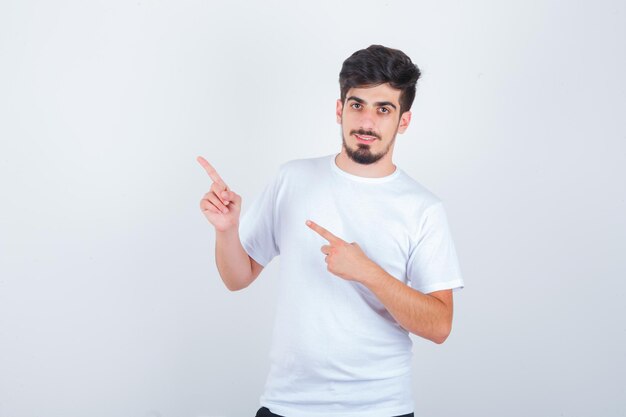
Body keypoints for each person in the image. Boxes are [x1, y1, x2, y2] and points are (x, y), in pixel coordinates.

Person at [197, 44, 464, 417]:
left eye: (383, 109)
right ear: (340, 109)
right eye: (357, 105)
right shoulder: (293, 178)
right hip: (286, 405)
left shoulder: (423, 208)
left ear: (403, 120)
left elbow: (439, 325)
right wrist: (226, 231)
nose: (367, 122)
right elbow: (237, 277)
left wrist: (367, 272)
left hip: (379, 409)